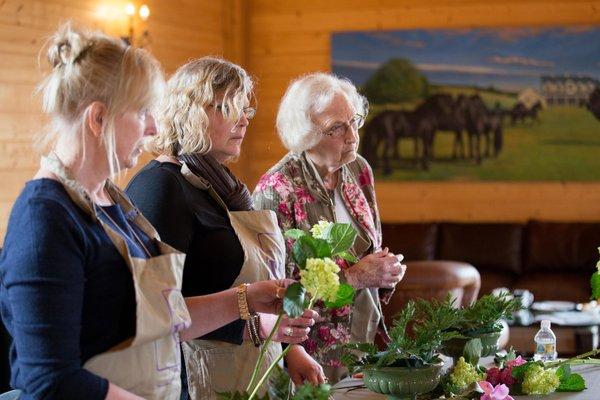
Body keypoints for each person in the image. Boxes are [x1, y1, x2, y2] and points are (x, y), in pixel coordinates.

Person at [0, 25, 306, 400]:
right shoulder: (44, 218)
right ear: (98, 119)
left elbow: (162, 320)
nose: (154, 127)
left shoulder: (115, 204)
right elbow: (51, 382)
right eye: (143, 111)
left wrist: (245, 297)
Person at [125, 57, 324, 399]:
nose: (243, 120)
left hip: (254, 370)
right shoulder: (160, 187)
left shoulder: (223, 186)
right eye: (228, 108)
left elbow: (250, 284)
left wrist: (291, 349)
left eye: (246, 109)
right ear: (189, 110)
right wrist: (254, 327)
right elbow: (155, 317)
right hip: (194, 380)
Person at [252, 72, 407, 382]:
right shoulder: (277, 190)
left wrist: (384, 271)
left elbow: (370, 250)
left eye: (354, 121)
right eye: (337, 127)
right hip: (308, 359)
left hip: (364, 346)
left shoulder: (358, 169)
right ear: (305, 133)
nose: (352, 136)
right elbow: (276, 295)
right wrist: (355, 277)